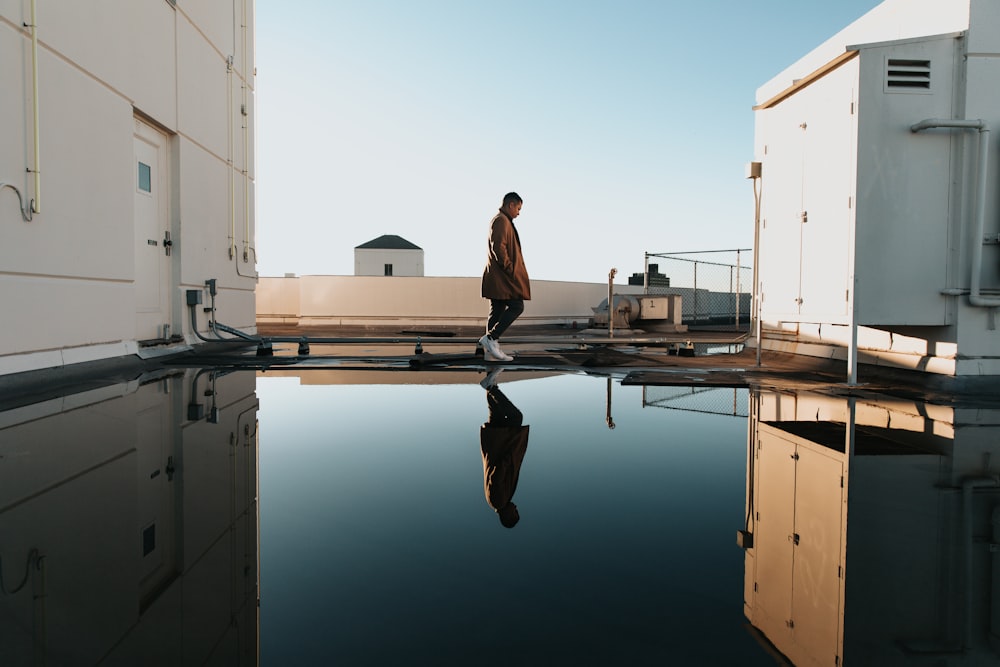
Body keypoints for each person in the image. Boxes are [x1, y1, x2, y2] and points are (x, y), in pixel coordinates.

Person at [480, 192, 530, 362]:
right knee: (517, 306)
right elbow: (498, 247)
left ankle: (490, 352)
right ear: (510, 205)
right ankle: (491, 338)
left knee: (497, 311)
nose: (519, 212)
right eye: (518, 208)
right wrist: (511, 269)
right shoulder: (502, 220)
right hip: (502, 277)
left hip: (498, 277)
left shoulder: (502, 220)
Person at [479, 368, 529, 528]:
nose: (516, 508)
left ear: (508, 516)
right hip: (495, 442)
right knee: (496, 413)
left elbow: (497, 474)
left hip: (501, 444)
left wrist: (510, 454)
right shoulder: (494, 502)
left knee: (516, 417)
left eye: (515, 512)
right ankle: (490, 376)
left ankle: (491, 386)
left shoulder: (499, 501)